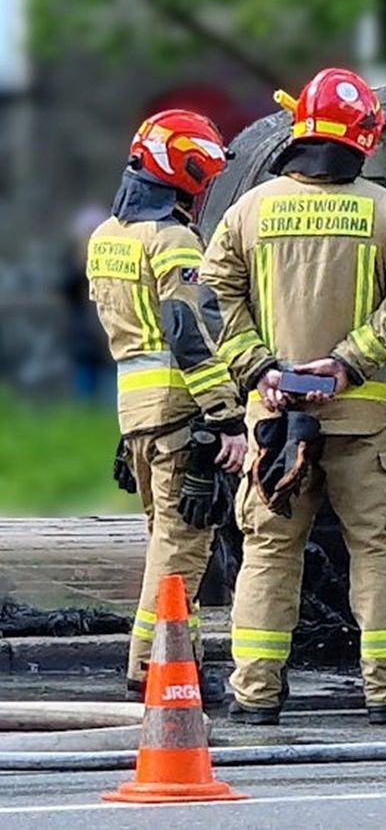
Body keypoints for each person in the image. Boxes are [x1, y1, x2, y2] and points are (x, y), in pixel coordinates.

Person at [202, 68, 386, 725]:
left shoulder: (250, 210)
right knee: (378, 546)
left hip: (273, 421)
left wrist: (260, 370)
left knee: (269, 550)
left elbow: (211, 298)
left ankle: (255, 692)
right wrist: (347, 364)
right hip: (361, 416)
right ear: (363, 138)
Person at [85, 109, 246, 701]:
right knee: (181, 549)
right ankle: (151, 668)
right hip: (181, 413)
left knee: (164, 539)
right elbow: (186, 332)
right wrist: (226, 415)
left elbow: (130, 334)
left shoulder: (107, 237)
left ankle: (183, 662)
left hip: (137, 414)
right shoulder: (173, 240)